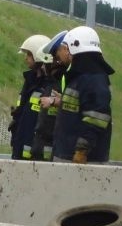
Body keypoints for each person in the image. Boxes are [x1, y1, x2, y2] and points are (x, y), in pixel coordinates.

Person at [42, 26, 114, 164]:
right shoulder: (80, 76)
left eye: (63, 47)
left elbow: (97, 116)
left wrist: (82, 150)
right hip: (66, 155)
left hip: (82, 162)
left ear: (73, 48)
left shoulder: (93, 78)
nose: (60, 52)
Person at [9, 35, 50, 160]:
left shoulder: (48, 85)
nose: (26, 58)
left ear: (38, 56)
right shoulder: (29, 81)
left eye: (29, 55)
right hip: (19, 146)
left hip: (35, 154)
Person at [31, 36, 65, 161]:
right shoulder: (49, 84)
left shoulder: (60, 83)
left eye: (46, 64)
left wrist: (55, 102)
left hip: (51, 145)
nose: (44, 68)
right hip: (40, 144)